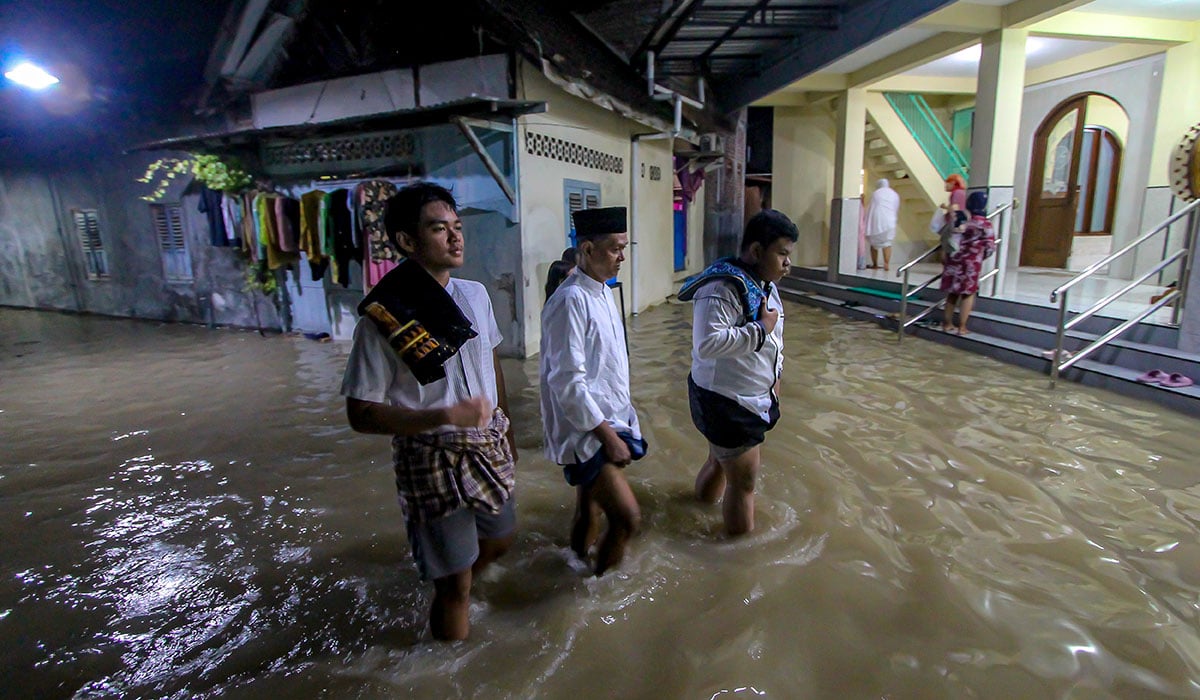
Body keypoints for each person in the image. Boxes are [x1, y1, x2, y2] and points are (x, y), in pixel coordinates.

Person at [340, 182, 518, 641]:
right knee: (455, 584)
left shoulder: (475, 295)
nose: (457, 238)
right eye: (440, 229)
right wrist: (439, 416)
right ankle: (449, 662)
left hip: (488, 444)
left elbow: (490, 359)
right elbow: (361, 413)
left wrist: (506, 429)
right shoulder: (383, 318)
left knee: (500, 539)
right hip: (430, 455)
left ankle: (455, 574)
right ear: (406, 241)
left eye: (458, 227)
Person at [677, 209, 797, 536]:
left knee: (720, 461)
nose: (788, 263)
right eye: (782, 254)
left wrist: (776, 378)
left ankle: (695, 507)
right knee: (744, 482)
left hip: (742, 397)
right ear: (757, 251)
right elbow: (708, 344)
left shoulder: (764, 284)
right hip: (727, 402)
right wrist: (759, 329)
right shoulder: (722, 287)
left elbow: (776, 338)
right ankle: (737, 559)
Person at [540, 206, 645, 576]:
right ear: (587, 249)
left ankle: (575, 565)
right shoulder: (570, 301)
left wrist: (625, 420)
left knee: (590, 507)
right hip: (587, 428)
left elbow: (609, 368)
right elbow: (566, 381)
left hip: (607, 419)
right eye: (615, 248)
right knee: (627, 518)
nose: (622, 257)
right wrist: (607, 435)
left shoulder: (601, 292)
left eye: (624, 247)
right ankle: (601, 589)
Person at [940, 191, 996, 335]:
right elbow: (990, 246)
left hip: (954, 259)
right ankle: (962, 327)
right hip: (972, 262)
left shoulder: (960, 218)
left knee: (952, 293)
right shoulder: (985, 224)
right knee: (968, 294)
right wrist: (980, 255)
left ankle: (947, 324)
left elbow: (949, 236)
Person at [864, 178, 900, 271]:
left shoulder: (876, 193)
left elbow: (872, 206)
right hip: (890, 221)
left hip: (877, 220)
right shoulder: (894, 194)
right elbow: (895, 207)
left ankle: (875, 264)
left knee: (873, 243)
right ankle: (886, 264)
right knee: (887, 243)